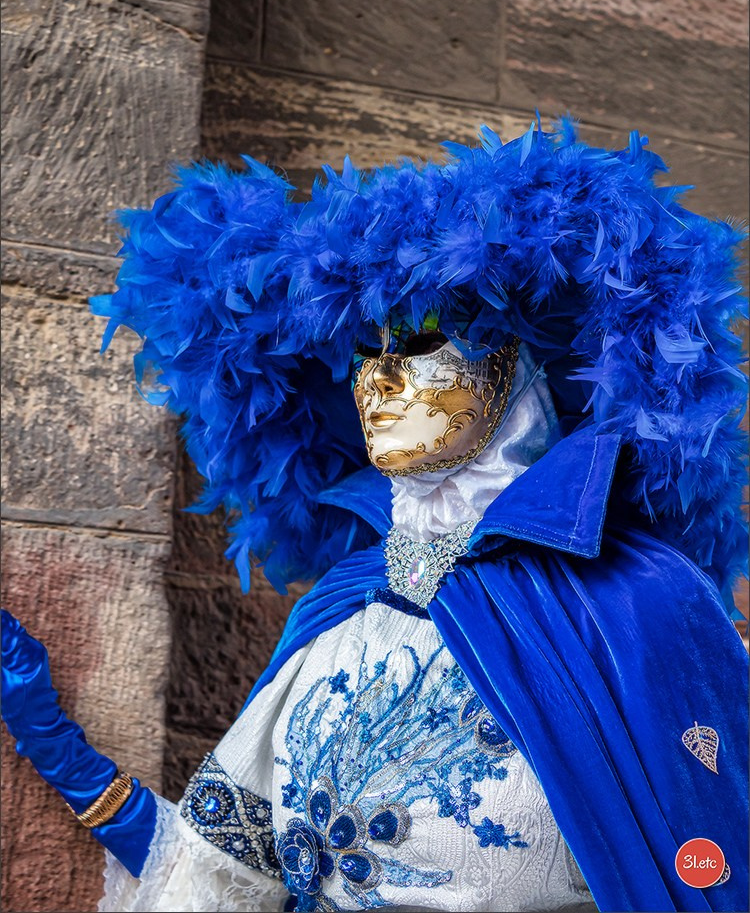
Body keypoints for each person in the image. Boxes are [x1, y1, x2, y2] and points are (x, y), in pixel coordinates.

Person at [2, 122, 747, 913]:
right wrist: (54, 741)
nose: (380, 382)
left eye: (420, 346)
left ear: (514, 372)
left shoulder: (643, 604)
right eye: (367, 356)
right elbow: (221, 873)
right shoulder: (349, 606)